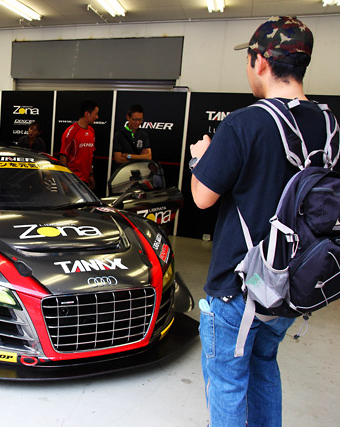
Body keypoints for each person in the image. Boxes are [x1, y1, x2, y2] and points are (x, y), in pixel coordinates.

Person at [189, 16, 336, 427]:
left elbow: (202, 197)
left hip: (240, 286)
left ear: (261, 62)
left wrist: (202, 158)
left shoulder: (245, 122)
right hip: (293, 283)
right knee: (264, 366)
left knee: (228, 381)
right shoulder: (329, 126)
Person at [59, 99, 99, 189]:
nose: (97, 117)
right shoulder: (71, 132)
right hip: (72, 180)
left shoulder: (91, 131)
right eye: (95, 114)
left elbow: (90, 155)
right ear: (87, 114)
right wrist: (64, 180)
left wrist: (91, 175)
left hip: (85, 179)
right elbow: (63, 156)